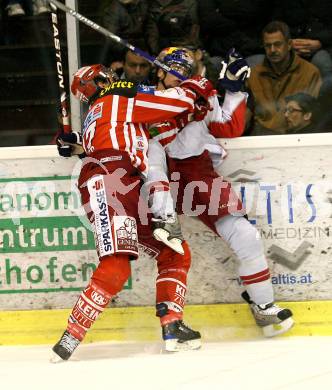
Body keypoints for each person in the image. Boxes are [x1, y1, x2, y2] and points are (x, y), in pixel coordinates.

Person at [51, 64, 215, 362]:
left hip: (124, 184)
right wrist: (195, 86)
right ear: (100, 82)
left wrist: (72, 142)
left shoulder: (98, 114)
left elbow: (108, 138)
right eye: (106, 77)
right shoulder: (117, 99)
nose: (113, 79)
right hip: (109, 181)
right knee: (116, 266)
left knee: (174, 251)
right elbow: (173, 103)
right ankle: (71, 335)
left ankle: (173, 326)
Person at [146, 47, 294, 338]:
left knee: (246, 236)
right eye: (175, 70)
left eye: (186, 72)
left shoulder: (197, 93)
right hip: (155, 179)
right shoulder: (146, 99)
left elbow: (229, 126)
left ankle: (264, 305)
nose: (181, 77)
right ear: (160, 71)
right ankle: (171, 323)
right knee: (168, 253)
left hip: (198, 176)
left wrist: (234, 89)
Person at [246, 20, 322, 135]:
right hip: (260, 139)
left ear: (289, 44)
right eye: (268, 45)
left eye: (277, 44)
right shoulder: (253, 75)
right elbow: (245, 116)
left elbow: (313, 118)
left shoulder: (310, 72)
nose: (272, 50)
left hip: (295, 139)